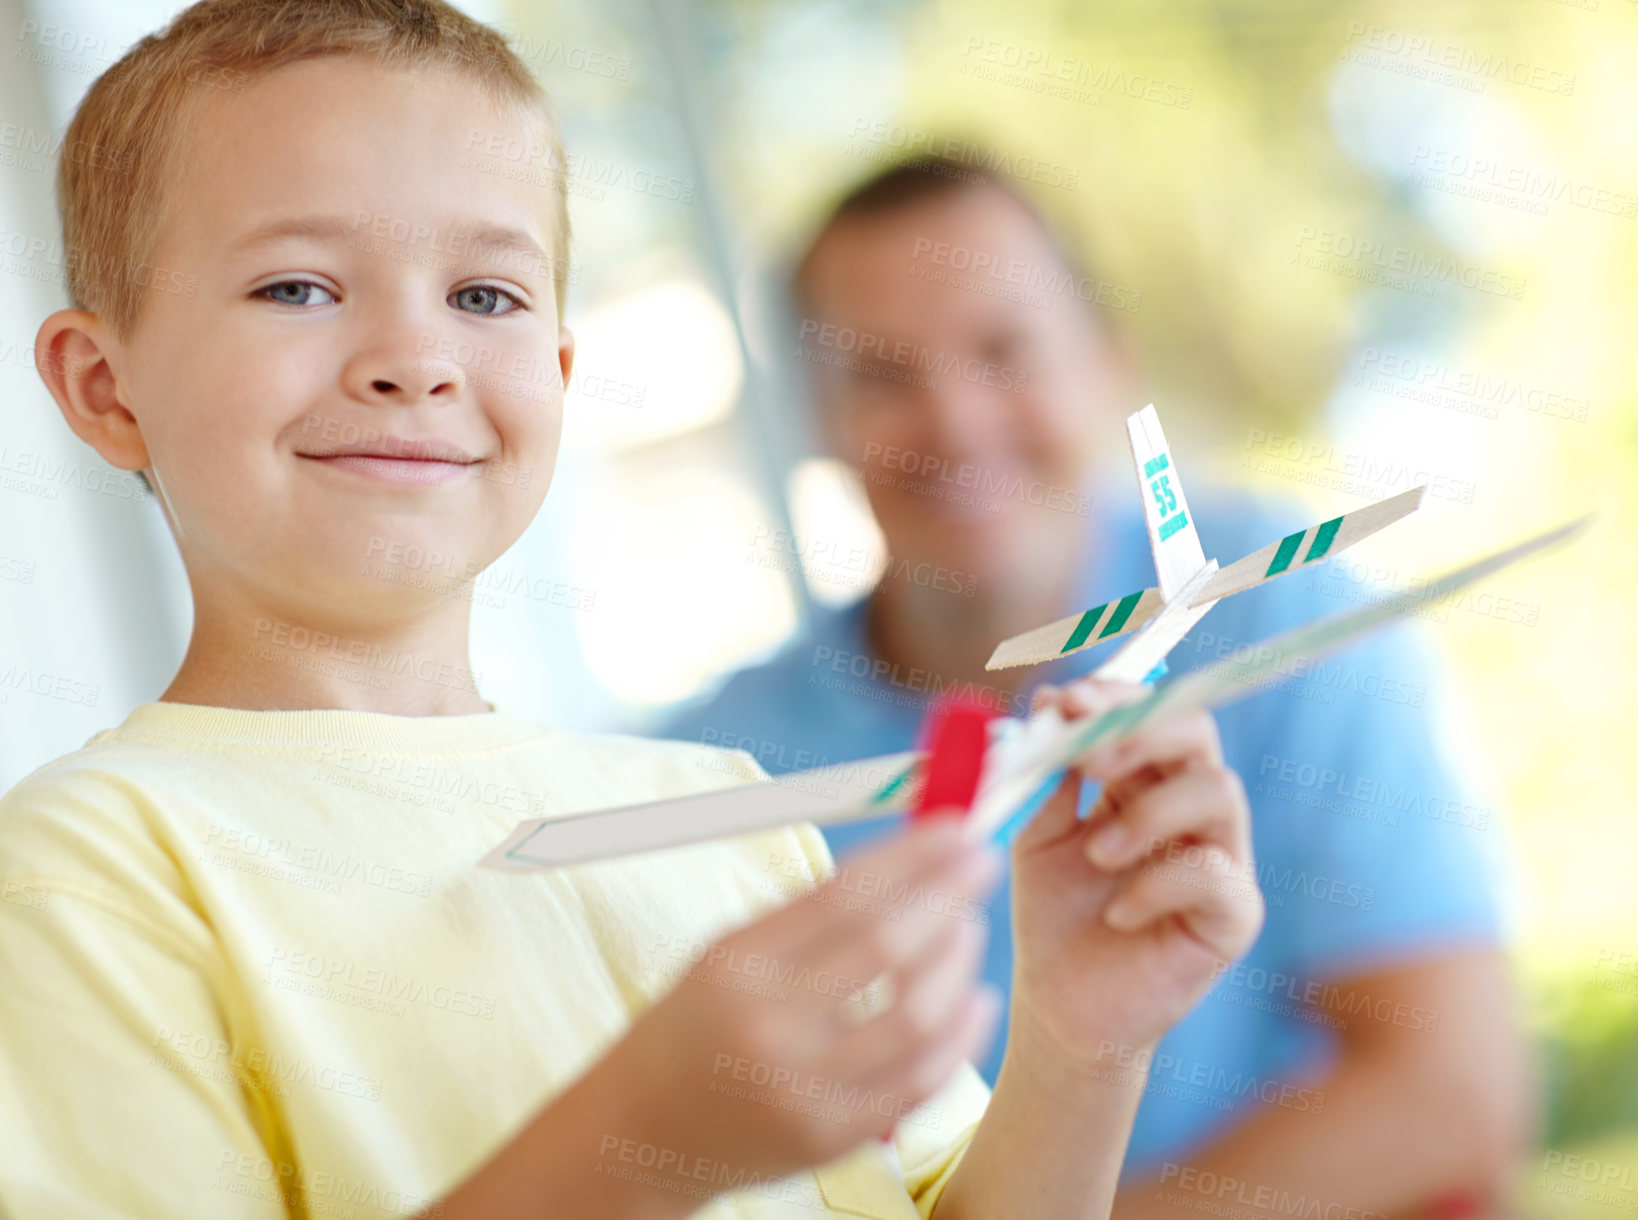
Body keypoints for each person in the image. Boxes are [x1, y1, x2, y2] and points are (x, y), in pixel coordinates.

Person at [0, 4, 1263, 1218]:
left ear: (555, 370)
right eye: (296, 286)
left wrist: (1078, 1047)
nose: (416, 356)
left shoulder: (723, 810)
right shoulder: (92, 868)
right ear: (104, 386)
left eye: (484, 297)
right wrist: (644, 1146)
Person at [658, 156, 1533, 1211]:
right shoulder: (710, 773)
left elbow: (1452, 1101)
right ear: (818, 423)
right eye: (882, 376)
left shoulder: (1287, 612)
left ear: (1109, 360)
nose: (956, 420)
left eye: (1004, 350)